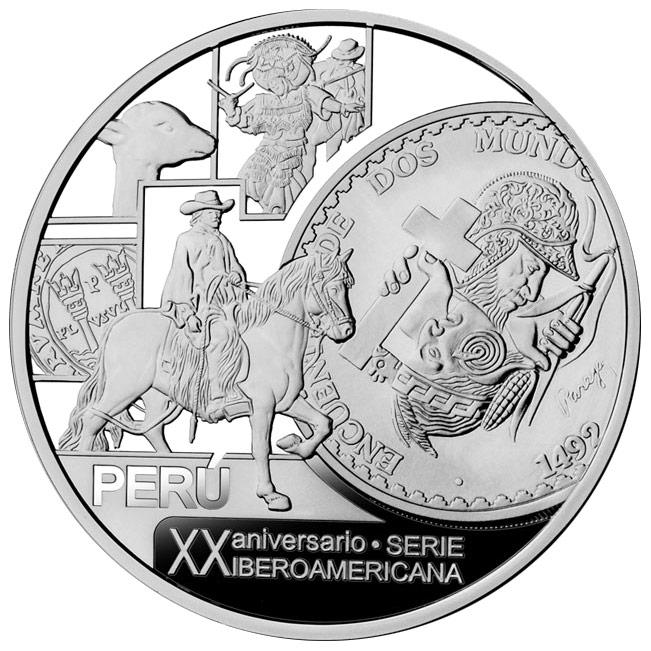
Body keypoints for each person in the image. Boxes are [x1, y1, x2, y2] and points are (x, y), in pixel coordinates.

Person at [376, 172, 585, 453]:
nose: (533, 291)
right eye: (530, 268)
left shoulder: (521, 329)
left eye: (541, 275)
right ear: (499, 247)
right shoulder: (433, 297)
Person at [219, 34, 364, 214]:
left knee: (282, 186)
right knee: (248, 178)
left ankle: (276, 213)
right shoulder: (262, 101)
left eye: (279, 76)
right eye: (271, 78)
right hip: (266, 150)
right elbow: (245, 121)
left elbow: (325, 102)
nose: (275, 82)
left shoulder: (306, 93)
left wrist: (343, 107)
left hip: (295, 151)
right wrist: (230, 110)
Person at [161, 189, 248, 419]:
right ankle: (218, 394)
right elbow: (180, 276)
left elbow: (234, 266)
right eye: (212, 212)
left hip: (228, 301)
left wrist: (235, 276)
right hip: (202, 305)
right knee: (220, 336)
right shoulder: (186, 240)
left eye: (218, 212)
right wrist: (187, 313)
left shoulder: (222, 239)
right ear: (199, 214)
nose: (217, 216)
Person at [314, 38, 366, 159]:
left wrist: (358, 99)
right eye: (340, 58)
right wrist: (319, 84)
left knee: (346, 146)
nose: (342, 61)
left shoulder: (358, 71)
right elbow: (315, 85)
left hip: (350, 113)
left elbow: (363, 93)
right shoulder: (330, 68)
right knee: (332, 142)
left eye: (345, 59)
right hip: (332, 113)